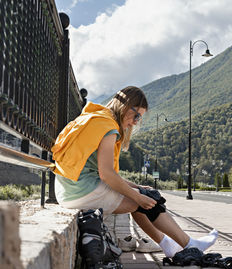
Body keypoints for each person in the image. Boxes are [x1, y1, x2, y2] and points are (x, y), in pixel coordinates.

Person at [51, 86, 218, 258]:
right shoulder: (108, 126)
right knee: (144, 200)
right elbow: (106, 174)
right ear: (126, 106)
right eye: (136, 115)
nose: (136, 122)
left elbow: (103, 174)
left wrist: (137, 187)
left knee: (142, 195)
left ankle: (170, 244)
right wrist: (138, 195)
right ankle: (188, 243)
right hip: (81, 191)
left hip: (67, 189)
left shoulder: (95, 117)